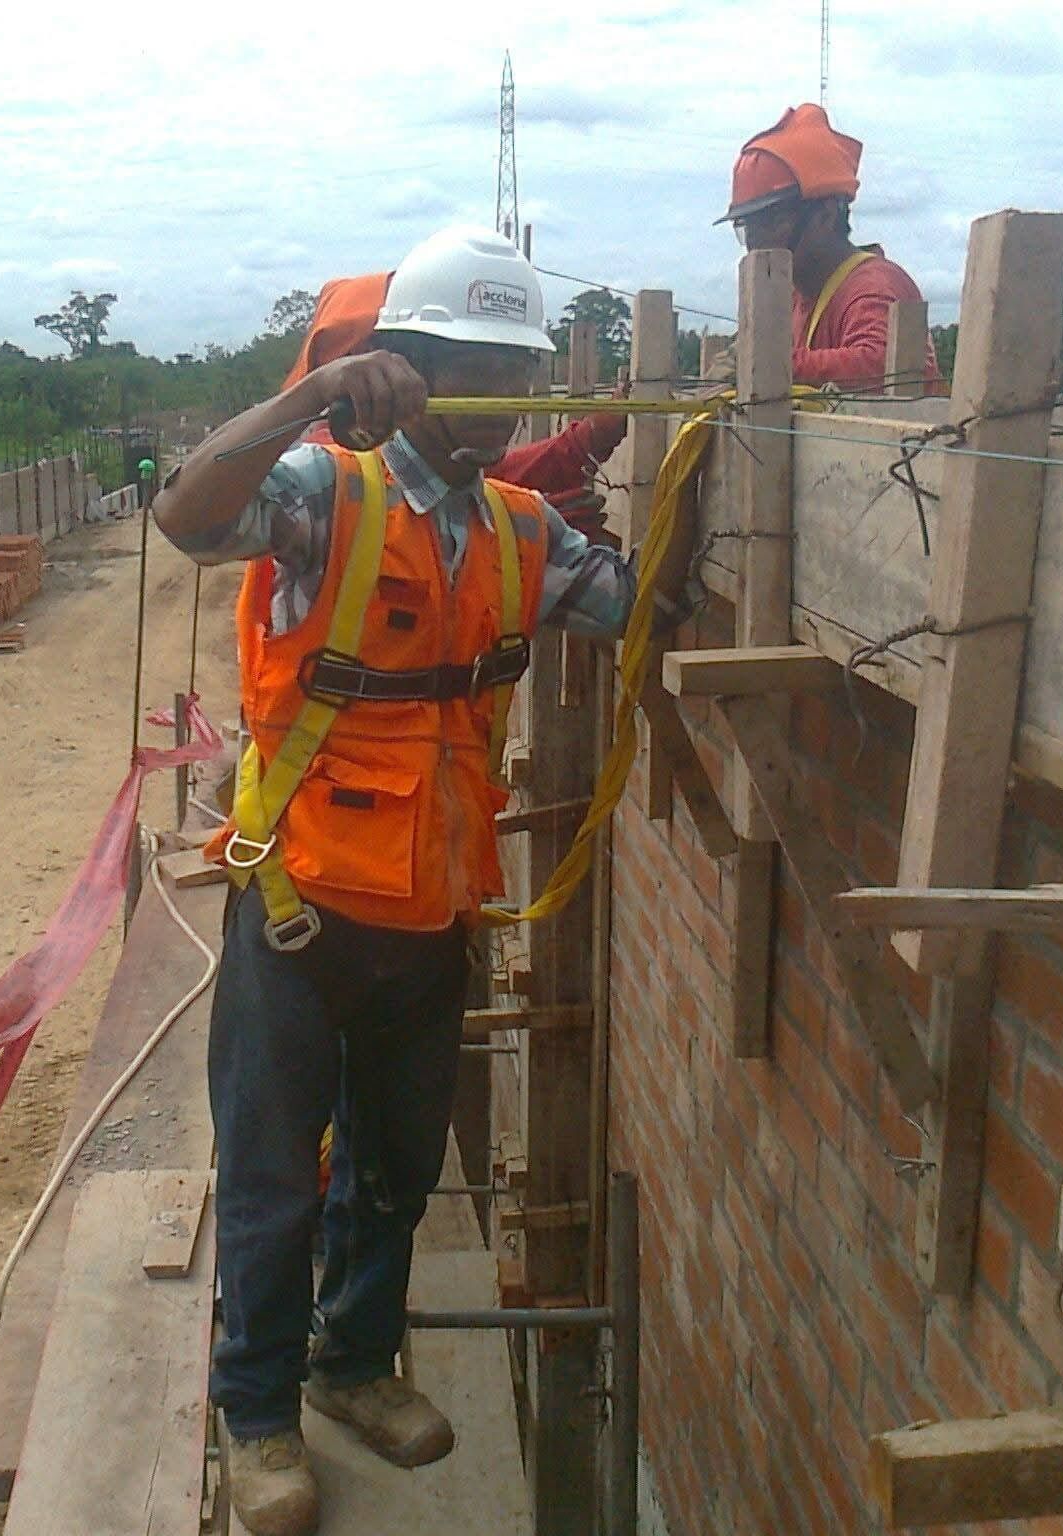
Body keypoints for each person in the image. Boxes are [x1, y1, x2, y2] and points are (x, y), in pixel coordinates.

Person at [154, 226, 694, 1536]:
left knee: (394, 1167)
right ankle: (261, 1414)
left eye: (519, 370)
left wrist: (704, 450)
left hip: (434, 908)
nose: (501, 402)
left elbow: (644, 606)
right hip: (302, 907)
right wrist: (310, 394)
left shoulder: (521, 533)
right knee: (279, 1171)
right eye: (476, 368)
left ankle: (350, 1367)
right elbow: (186, 514)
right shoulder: (315, 492)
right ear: (412, 366)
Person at [286, 271, 631, 541]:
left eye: (514, 371)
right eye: (473, 369)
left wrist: (583, 442)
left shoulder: (429, 448)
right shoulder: (327, 471)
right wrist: (515, 525)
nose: (498, 395)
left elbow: (490, 470)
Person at [718, 103, 944, 393]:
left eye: (772, 220)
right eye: (746, 226)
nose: (754, 242)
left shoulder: (873, 286)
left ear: (825, 215)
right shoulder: (793, 298)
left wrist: (768, 365)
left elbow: (881, 365)